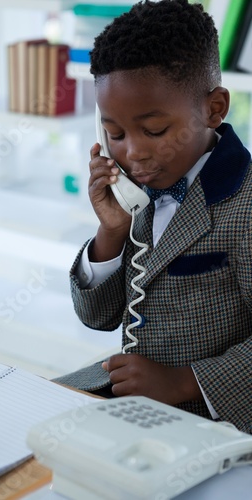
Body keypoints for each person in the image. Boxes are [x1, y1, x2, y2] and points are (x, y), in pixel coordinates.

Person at [54, 0, 252, 433]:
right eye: (115, 134)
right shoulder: (138, 191)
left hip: (210, 422)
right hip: (135, 408)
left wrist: (183, 381)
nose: (133, 152)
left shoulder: (245, 204)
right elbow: (97, 317)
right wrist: (111, 231)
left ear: (215, 108)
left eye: (155, 130)